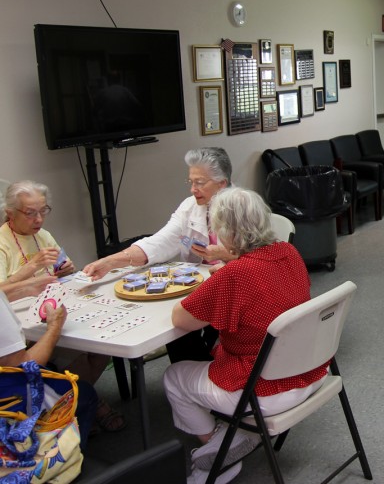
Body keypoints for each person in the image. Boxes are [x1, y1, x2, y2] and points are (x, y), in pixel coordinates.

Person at [163, 187, 328, 484]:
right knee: (216, 349)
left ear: (226, 230)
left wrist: (220, 279)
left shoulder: (235, 275)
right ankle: (232, 434)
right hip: (310, 369)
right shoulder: (289, 252)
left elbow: (180, 319)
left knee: (174, 377)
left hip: (264, 388)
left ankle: (218, 448)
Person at [83, 147, 237, 362]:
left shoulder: (244, 208)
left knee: (186, 321)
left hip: (233, 289)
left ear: (222, 183)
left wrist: (226, 255)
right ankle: (191, 372)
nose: (193, 189)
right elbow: (160, 242)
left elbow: (259, 258)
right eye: (190, 182)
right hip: (198, 286)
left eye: (200, 183)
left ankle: (201, 374)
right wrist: (111, 261)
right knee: (175, 322)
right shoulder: (189, 207)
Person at [0, 180, 126, 433]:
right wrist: (31, 269)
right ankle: (84, 400)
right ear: (10, 213)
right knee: (76, 351)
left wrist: (67, 269)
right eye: (31, 213)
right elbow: (1, 292)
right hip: (20, 326)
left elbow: (64, 269)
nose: (39, 219)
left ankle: (76, 398)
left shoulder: (43, 235)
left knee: (103, 341)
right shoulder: (2, 242)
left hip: (53, 307)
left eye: (43, 211)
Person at [0, 291, 98, 451]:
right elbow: (19, 369)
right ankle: (63, 465)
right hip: (8, 409)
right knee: (85, 393)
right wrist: (54, 327)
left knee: (56, 368)